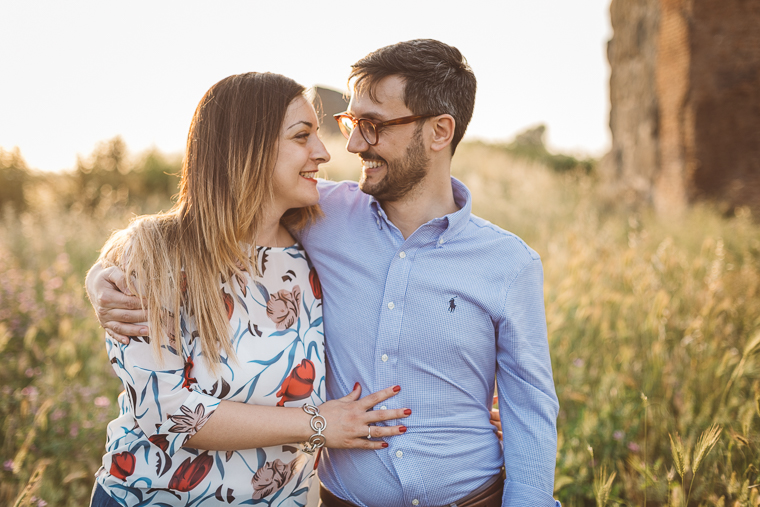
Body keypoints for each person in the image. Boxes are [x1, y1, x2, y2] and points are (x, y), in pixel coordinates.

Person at [88, 40, 561, 507]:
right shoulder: (319, 215)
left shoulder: (508, 263)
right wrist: (103, 276)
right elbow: (211, 220)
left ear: (440, 132)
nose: (349, 146)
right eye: (352, 123)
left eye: (372, 126)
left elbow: (531, 410)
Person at [86, 72, 411, 507]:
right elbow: (165, 412)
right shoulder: (158, 252)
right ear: (247, 148)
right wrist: (316, 424)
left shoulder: (314, 249)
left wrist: (461, 406)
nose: (323, 151)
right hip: (149, 498)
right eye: (302, 136)